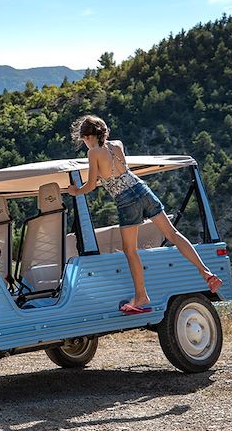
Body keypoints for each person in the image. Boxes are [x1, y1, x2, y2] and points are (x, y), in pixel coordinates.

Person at [66, 115, 222, 314]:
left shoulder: (94, 153)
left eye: (84, 140)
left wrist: (74, 191)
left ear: (88, 137)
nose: (85, 144)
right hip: (142, 190)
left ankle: (141, 295)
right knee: (172, 234)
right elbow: (115, 172)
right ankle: (206, 272)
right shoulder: (117, 145)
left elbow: (89, 186)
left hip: (126, 200)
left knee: (130, 250)